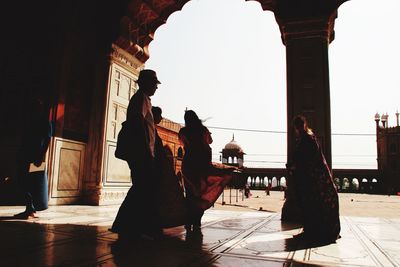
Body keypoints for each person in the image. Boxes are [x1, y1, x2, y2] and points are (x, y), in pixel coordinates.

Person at [111, 69, 162, 239]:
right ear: (146, 83)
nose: (156, 87)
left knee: (141, 188)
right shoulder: (140, 98)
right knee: (142, 188)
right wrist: (147, 151)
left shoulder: (144, 99)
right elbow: (138, 125)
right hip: (141, 152)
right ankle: (129, 225)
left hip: (144, 151)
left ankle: (130, 225)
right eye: (154, 83)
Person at [286, 115, 341, 244]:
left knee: (310, 205)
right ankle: (313, 231)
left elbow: (304, 159)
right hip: (316, 179)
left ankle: (313, 232)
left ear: (298, 127)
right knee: (311, 206)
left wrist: (293, 166)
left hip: (312, 181)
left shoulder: (307, 139)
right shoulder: (309, 137)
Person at [179, 110, 235, 231]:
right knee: (200, 192)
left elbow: (182, 142)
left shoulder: (183, 131)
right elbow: (210, 141)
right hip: (201, 165)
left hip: (189, 164)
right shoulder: (202, 130)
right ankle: (197, 220)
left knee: (189, 193)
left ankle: (189, 220)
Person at [14, 93, 51, 219]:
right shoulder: (30, 121)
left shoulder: (44, 122)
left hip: (34, 155)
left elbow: (47, 140)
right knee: (24, 181)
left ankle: (31, 209)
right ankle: (30, 208)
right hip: (26, 154)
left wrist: (41, 156)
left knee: (32, 183)